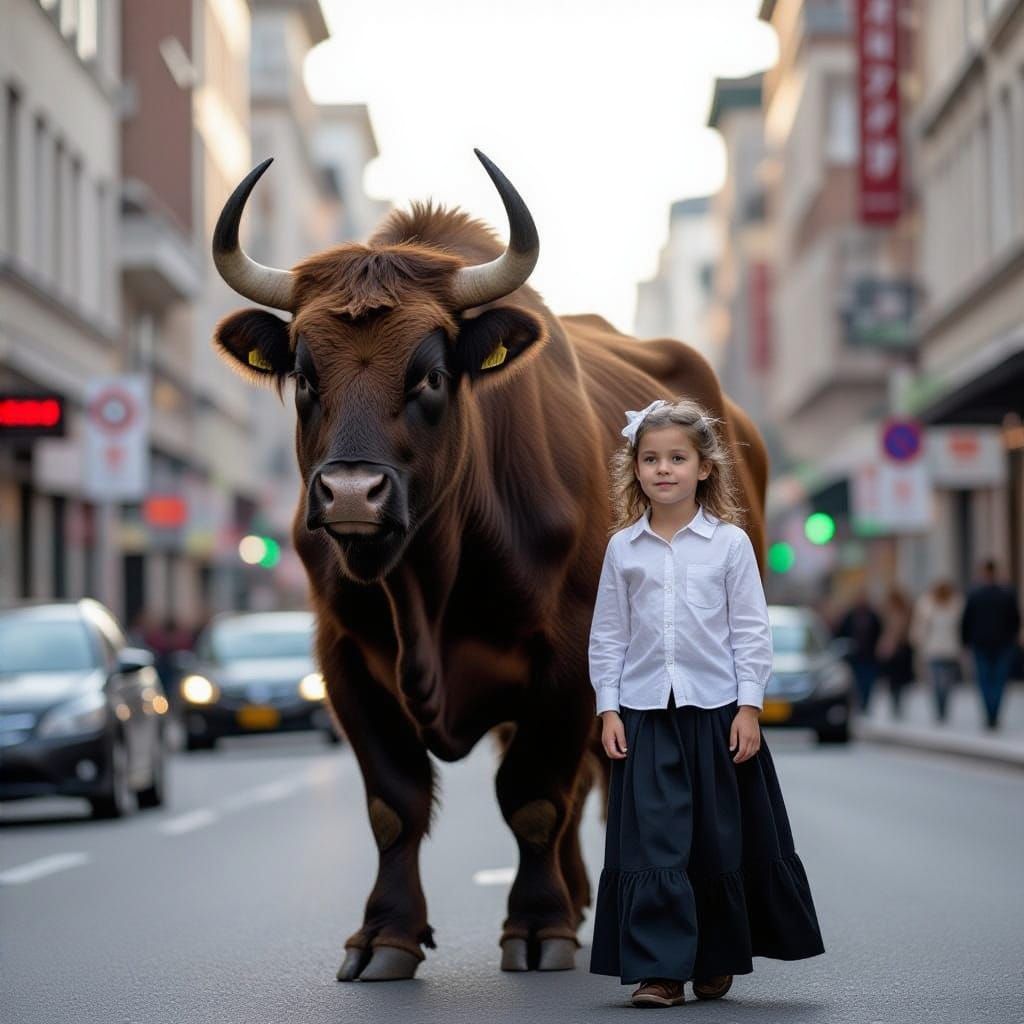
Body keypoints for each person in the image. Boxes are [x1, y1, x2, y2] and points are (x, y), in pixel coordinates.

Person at [587, 397, 825, 1009]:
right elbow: (609, 634)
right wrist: (608, 708)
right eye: (650, 459)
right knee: (654, 843)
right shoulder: (623, 550)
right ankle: (661, 972)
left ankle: (716, 957)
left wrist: (749, 707)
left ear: (704, 468)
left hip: (717, 714)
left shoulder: (730, 545)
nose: (663, 469)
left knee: (717, 841)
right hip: (645, 716)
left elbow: (750, 630)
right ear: (634, 469)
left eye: (677, 458)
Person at [961, 560, 1021, 730]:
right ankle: (994, 713)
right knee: (999, 680)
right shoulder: (1007, 593)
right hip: (1003, 644)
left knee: (985, 680)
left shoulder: (975, 594)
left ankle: (990, 713)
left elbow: (966, 621)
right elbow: (1015, 620)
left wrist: (965, 642)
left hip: (981, 644)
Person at [910, 580, 963, 722]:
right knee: (937, 682)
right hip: (933, 650)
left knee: (947, 683)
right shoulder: (927, 605)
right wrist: (918, 640)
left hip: (950, 650)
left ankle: (943, 707)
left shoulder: (956, 604)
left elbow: (960, 628)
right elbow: (921, 626)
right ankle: (940, 709)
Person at [834, 590, 883, 711]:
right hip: (854, 656)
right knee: (858, 682)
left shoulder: (873, 615)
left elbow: (879, 632)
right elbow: (841, 633)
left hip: (870, 656)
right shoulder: (850, 616)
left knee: (869, 681)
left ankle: (866, 703)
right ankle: (860, 702)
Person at [877, 587, 915, 718]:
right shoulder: (900, 612)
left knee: (896, 680)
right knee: (896, 681)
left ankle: (897, 704)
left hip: (898, 650)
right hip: (901, 650)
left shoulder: (898, 613)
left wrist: (887, 645)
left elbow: (892, 633)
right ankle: (897, 704)